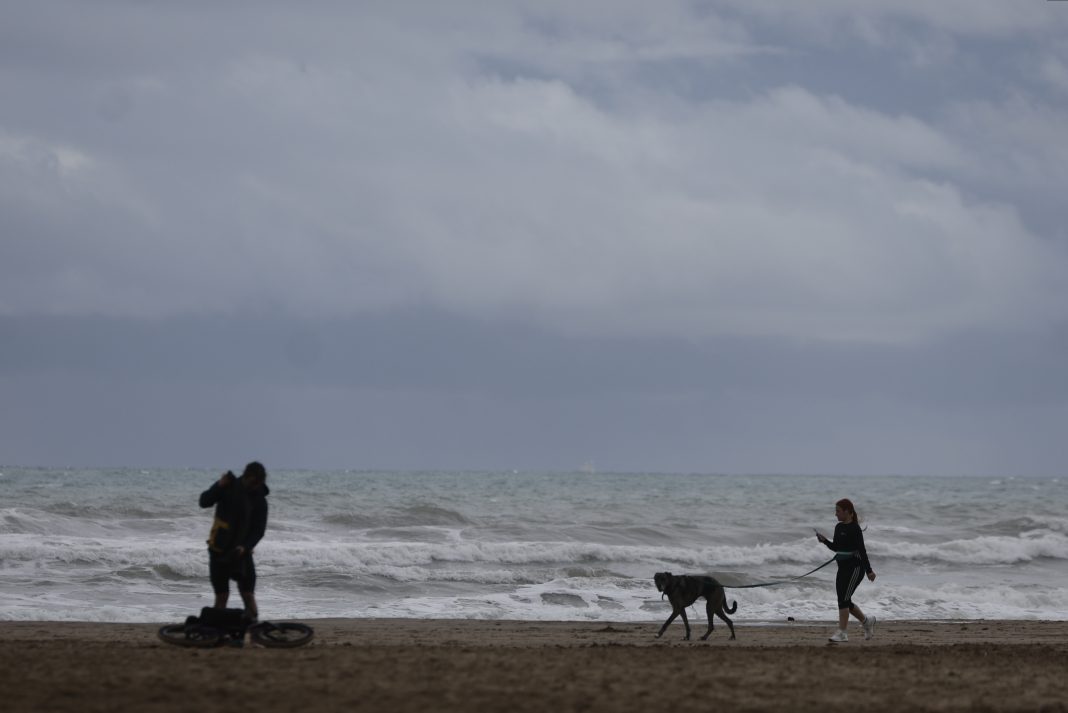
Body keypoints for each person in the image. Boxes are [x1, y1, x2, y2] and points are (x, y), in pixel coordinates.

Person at [199, 461, 269, 620]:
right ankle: (215, 635)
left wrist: (245, 547)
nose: (254, 487)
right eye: (252, 483)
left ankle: (253, 633)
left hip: (241, 552)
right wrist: (218, 485)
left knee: (248, 594)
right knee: (222, 595)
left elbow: (259, 530)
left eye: (258, 484)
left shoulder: (259, 499)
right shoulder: (227, 486)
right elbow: (204, 502)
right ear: (245, 476)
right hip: (219, 550)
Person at [816, 497, 876, 643]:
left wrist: (869, 570)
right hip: (842, 568)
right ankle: (867, 622)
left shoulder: (855, 528)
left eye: (838, 511)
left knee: (843, 600)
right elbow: (837, 547)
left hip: (855, 568)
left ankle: (842, 632)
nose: (835, 514)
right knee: (844, 600)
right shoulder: (839, 527)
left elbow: (862, 550)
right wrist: (824, 541)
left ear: (847, 512)